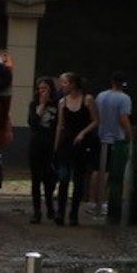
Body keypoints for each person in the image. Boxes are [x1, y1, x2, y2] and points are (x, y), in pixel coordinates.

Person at [53, 71, 97, 226]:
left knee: (78, 180)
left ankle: (73, 214)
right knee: (63, 178)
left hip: (81, 143)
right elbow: (60, 125)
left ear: (72, 84)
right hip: (66, 143)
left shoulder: (87, 100)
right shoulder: (62, 102)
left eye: (64, 83)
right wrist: (56, 146)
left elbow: (95, 121)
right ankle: (60, 212)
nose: (61, 86)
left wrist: (83, 133)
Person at [94, 72, 135, 223]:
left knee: (97, 169)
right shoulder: (124, 98)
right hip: (115, 138)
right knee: (110, 171)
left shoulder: (101, 95)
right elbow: (123, 118)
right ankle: (103, 201)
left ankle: (93, 200)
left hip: (100, 135)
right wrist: (130, 134)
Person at [26, 77, 62, 224]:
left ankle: (50, 207)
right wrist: (41, 105)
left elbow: (59, 125)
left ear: (51, 89)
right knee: (36, 179)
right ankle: (36, 212)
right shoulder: (34, 104)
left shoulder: (57, 105)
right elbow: (33, 124)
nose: (42, 91)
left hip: (50, 145)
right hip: (36, 145)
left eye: (45, 88)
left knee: (49, 179)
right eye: (40, 89)